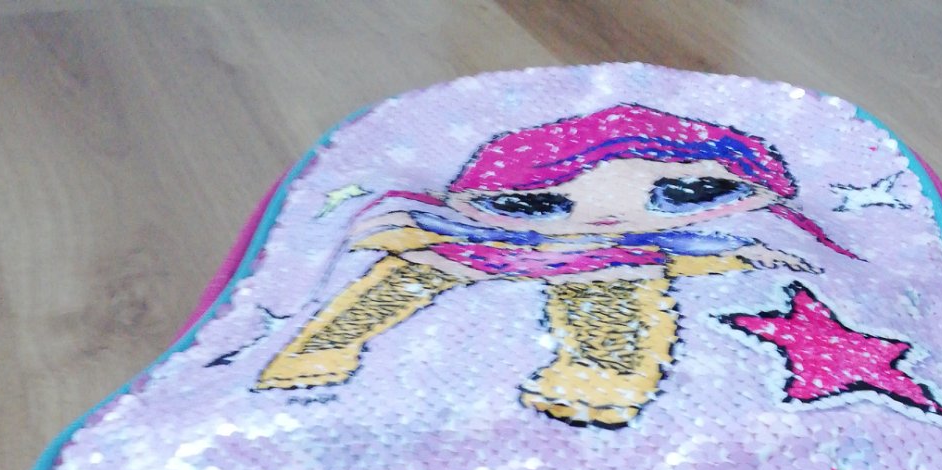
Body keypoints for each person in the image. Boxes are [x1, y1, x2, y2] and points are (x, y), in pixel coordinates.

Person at [255, 102, 859, 428]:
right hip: (490, 251)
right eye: (536, 202)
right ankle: (320, 347)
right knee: (409, 272)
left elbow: (691, 251)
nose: (605, 217)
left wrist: (743, 254)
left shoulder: (635, 250)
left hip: (602, 267)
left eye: (685, 193)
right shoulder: (453, 231)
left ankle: (602, 375)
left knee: (616, 283)